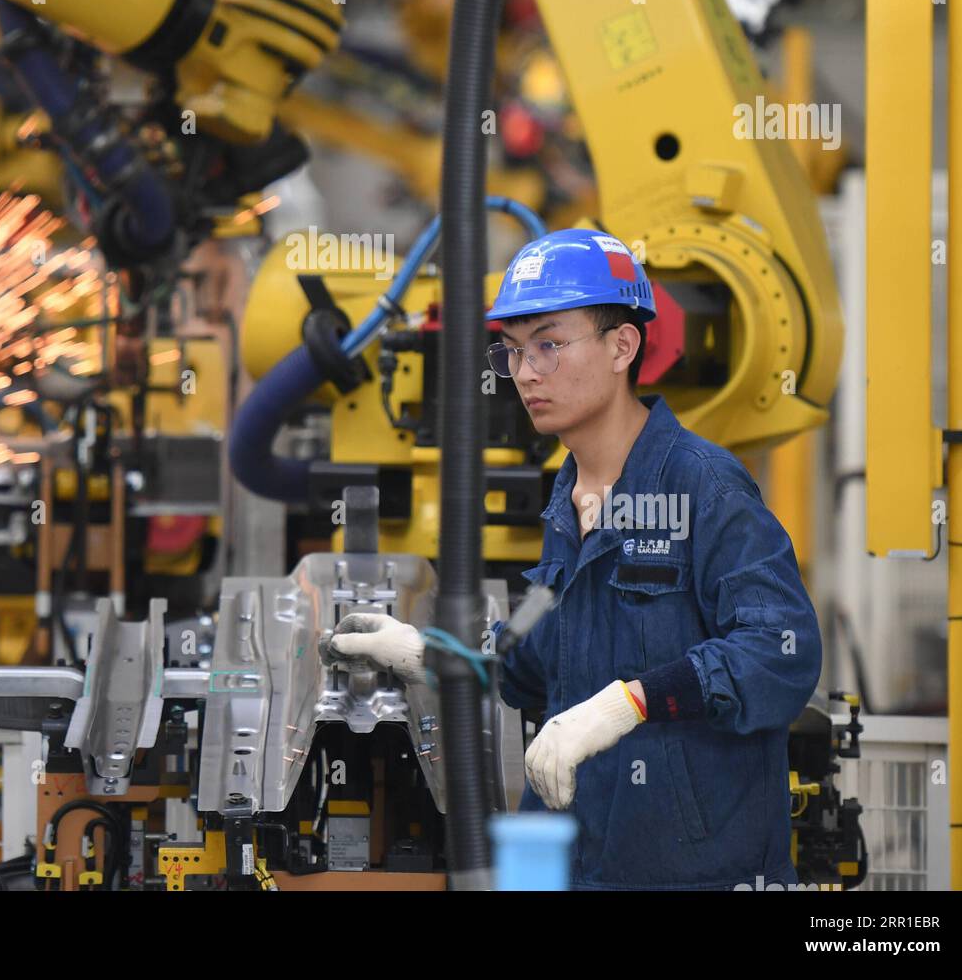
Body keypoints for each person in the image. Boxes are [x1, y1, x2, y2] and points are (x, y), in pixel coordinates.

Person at [330, 226, 823, 889]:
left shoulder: (703, 485)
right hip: (580, 868)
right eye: (513, 352)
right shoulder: (568, 498)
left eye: (550, 346)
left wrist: (629, 704)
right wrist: (426, 653)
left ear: (624, 346)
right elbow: (531, 665)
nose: (527, 372)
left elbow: (780, 653)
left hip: (696, 876)